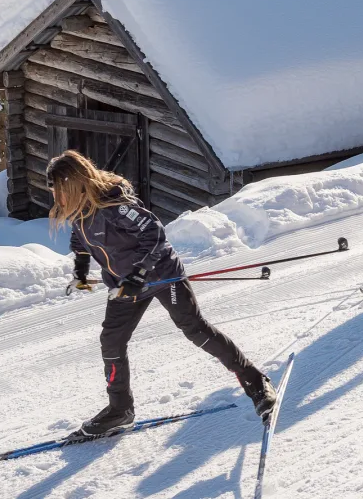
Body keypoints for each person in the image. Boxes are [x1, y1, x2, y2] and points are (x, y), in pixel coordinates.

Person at [48, 150, 277, 436]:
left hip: (159, 275)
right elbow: (79, 238)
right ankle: (120, 410)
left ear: (74, 185)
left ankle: (255, 381)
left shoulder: (115, 206)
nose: (57, 198)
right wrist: (81, 269)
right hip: (125, 283)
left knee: (195, 329)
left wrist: (140, 273)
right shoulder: (81, 210)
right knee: (111, 340)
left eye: (59, 190)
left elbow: (155, 234)